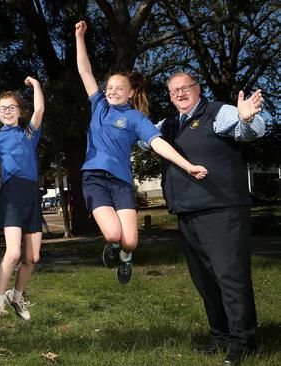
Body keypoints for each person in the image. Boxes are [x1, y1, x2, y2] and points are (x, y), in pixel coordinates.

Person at [75, 21, 208, 284]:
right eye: (108, 87)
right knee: (114, 234)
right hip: (95, 178)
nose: (112, 91)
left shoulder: (136, 118)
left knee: (131, 241)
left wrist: (187, 165)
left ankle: (125, 258)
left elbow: (158, 143)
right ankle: (112, 247)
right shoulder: (99, 106)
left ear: (130, 93)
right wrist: (80, 37)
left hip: (122, 181)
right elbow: (84, 70)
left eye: (119, 88)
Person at [158, 72, 265, 365]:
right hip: (187, 212)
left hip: (223, 210)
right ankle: (220, 335)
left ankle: (244, 340)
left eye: (185, 88)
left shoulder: (218, 112)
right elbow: (140, 136)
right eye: (173, 91)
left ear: (198, 89)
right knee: (204, 280)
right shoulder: (167, 125)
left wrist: (246, 119)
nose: (179, 94)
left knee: (230, 277)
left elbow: (252, 128)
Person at [0, 76, 44, 331]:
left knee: (33, 257)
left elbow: (40, 110)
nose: (7, 111)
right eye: (2, 108)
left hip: (32, 195)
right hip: (12, 194)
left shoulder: (29, 133)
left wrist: (36, 86)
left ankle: (17, 295)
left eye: (11, 107)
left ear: (19, 110)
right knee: (13, 253)